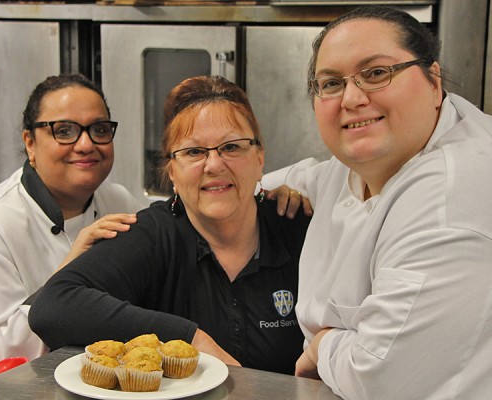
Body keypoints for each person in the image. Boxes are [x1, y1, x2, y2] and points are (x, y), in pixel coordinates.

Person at [262, 6, 492, 399]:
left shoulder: (454, 195)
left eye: (376, 73)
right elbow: (279, 180)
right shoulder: (351, 168)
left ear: (433, 82)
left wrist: (323, 345)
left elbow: (382, 375)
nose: (351, 98)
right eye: (331, 83)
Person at [29, 75, 310, 375]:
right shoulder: (153, 235)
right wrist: (189, 337)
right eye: (194, 152)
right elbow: (52, 307)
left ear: (259, 156)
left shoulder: (297, 228)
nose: (214, 165)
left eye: (231, 147)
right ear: (172, 171)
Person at [0, 74, 143, 367]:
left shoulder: (118, 202)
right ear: (30, 143)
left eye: (99, 129)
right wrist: (66, 276)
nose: (86, 144)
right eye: (65, 130)